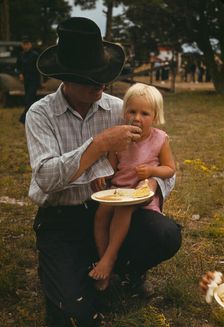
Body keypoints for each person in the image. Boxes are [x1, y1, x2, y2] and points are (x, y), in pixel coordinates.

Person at [25, 17, 182, 327]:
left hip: (115, 209)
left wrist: (150, 181)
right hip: (63, 216)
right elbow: (44, 178)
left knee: (165, 235)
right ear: (65, 79)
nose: (100, 85)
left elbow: (165, 167)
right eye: (90, 79)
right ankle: (66, 270)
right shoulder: (40, 114)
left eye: (103, 77)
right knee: (74, 313)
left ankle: (126, 270)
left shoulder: (120, 109)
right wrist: (97, 146)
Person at [88, 83, 176, 291]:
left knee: (124, 209)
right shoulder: (120, 138)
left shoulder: (159, 139)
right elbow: (111, 166)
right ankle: (103, 259)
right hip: (118, 191)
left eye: (145, 113)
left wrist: (152, 172)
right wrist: (101, 175)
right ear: (124, 112)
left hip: (140, 194)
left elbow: (169, 169)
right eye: (132, 111)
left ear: (155, 117)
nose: (137, 117)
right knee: (101, 214)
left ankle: (110, 258)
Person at [16, 36, 40, 124]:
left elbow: (39, 69)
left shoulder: (35, 55)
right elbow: (17, 67)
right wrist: (19, 74)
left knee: (28, 100)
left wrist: (42, 82)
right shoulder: (21, 55)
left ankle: (23, 119)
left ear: (30, 45)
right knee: (30, 100)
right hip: (26, 81)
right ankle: (33, 118)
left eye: (27, 44)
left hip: (34, 80)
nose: (25, 46)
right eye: (24, 44)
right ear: (22, 45)